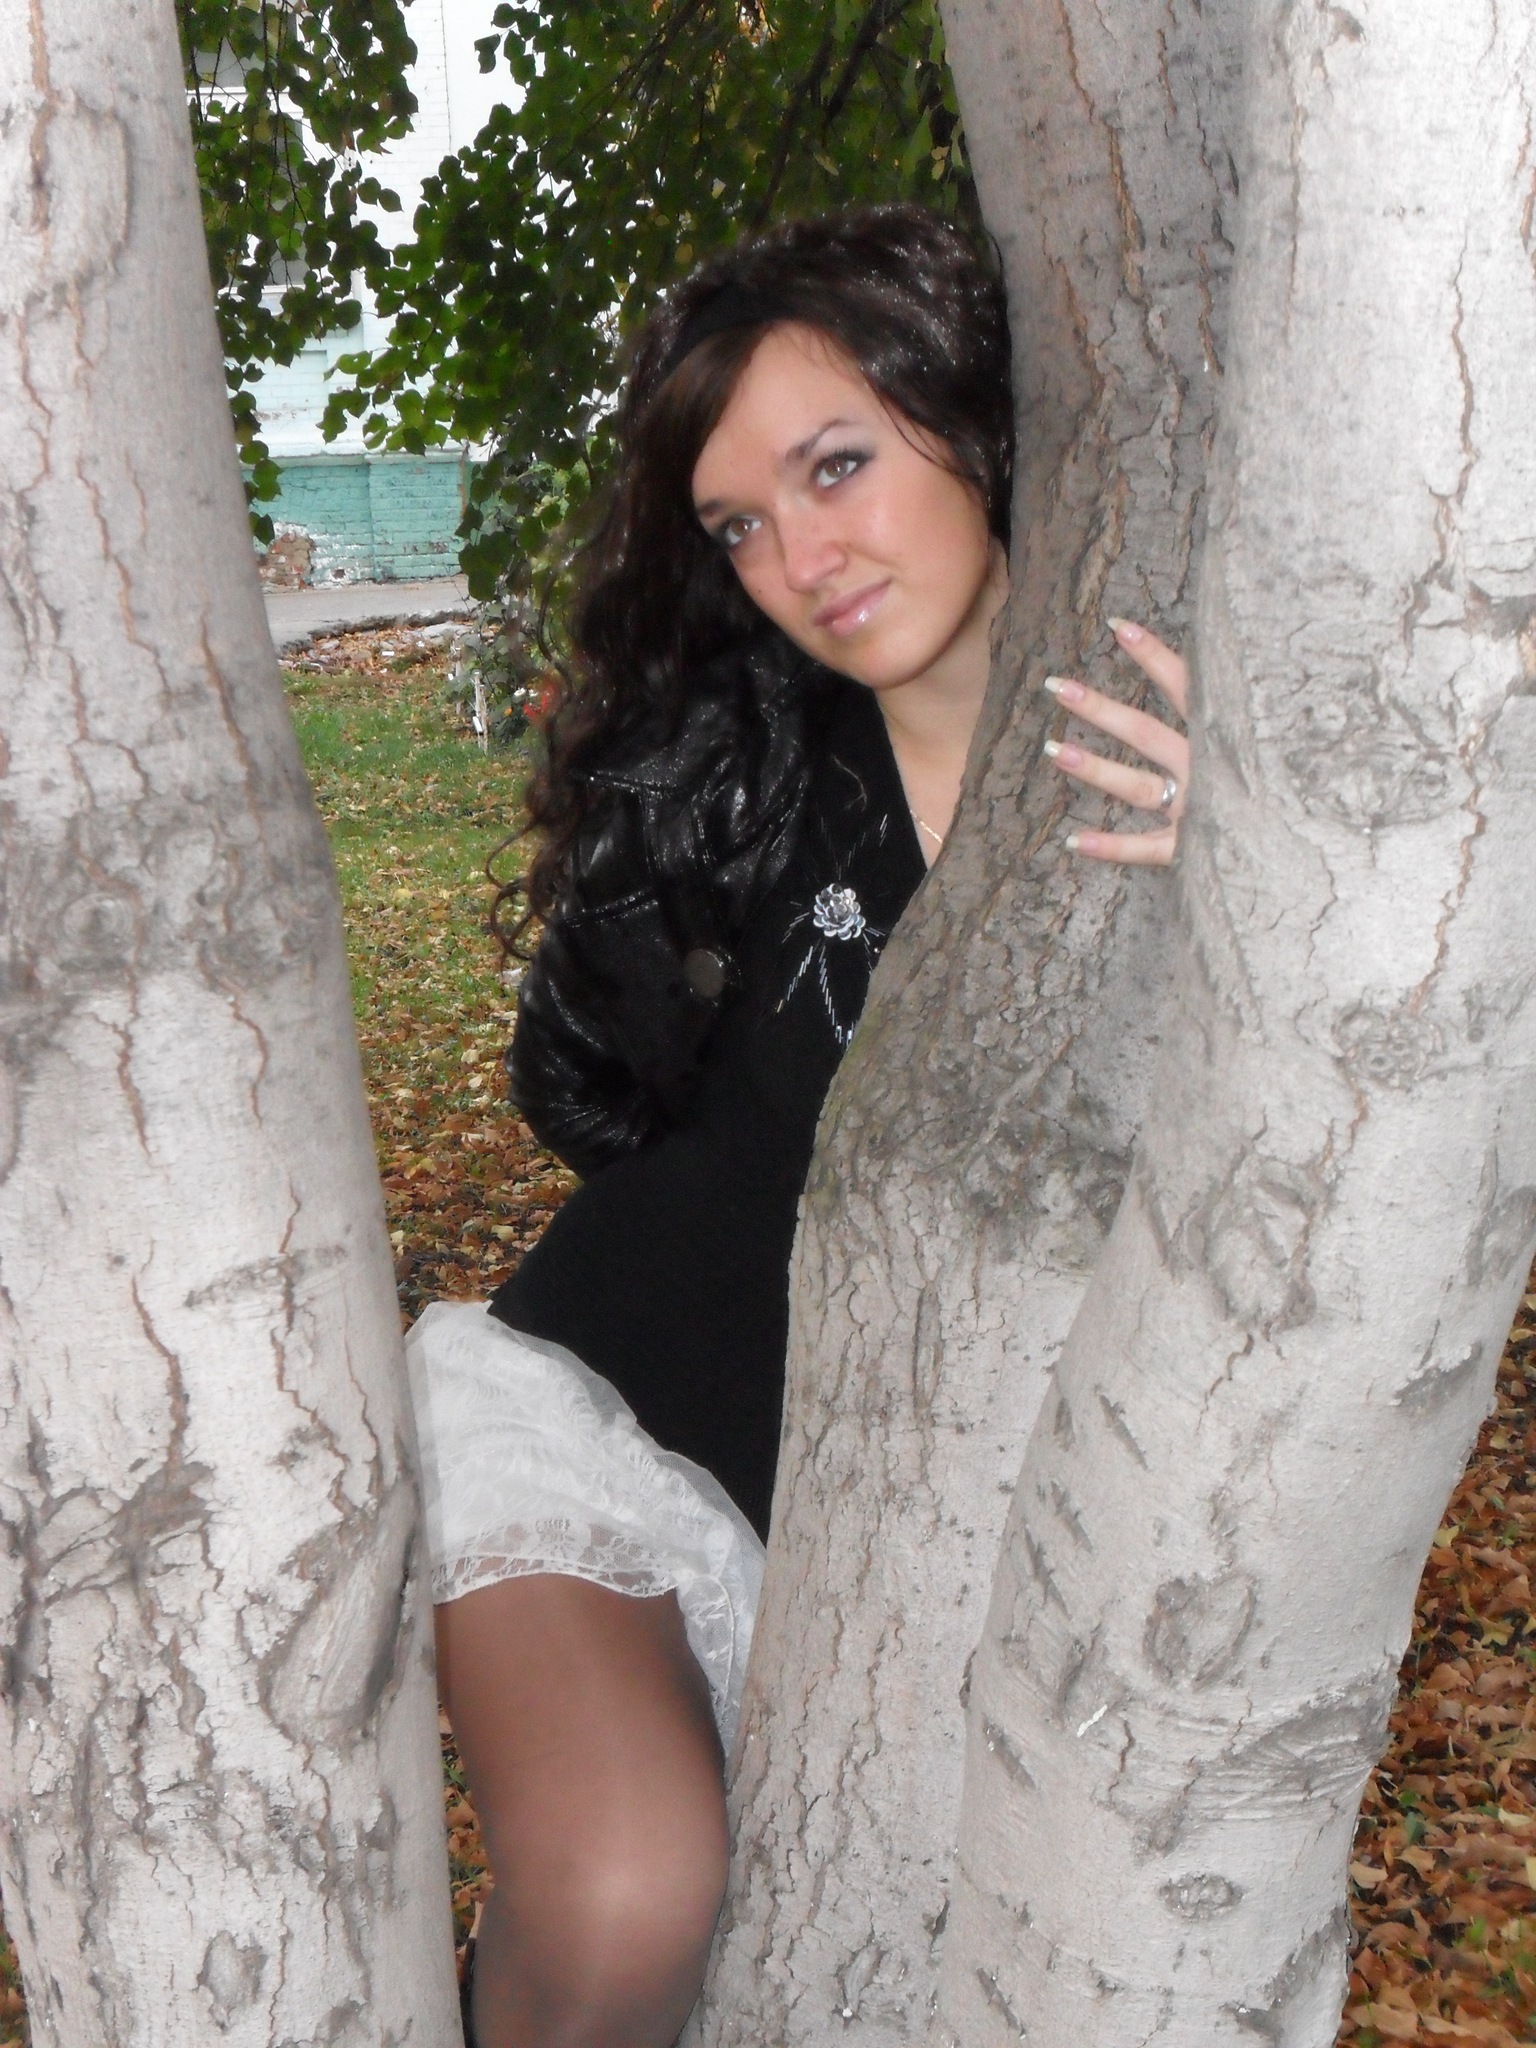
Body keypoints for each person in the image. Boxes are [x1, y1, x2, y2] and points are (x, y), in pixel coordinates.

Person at [405, 204, 1190, 2048]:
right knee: (628, 1893)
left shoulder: (1177, 773)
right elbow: (587, 1091)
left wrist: (1276, 857)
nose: (800, 561)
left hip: (906, 1562)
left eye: (837, 466)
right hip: (594, 1428)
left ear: (976, 418)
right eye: (740, 525)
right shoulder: (745, 770)